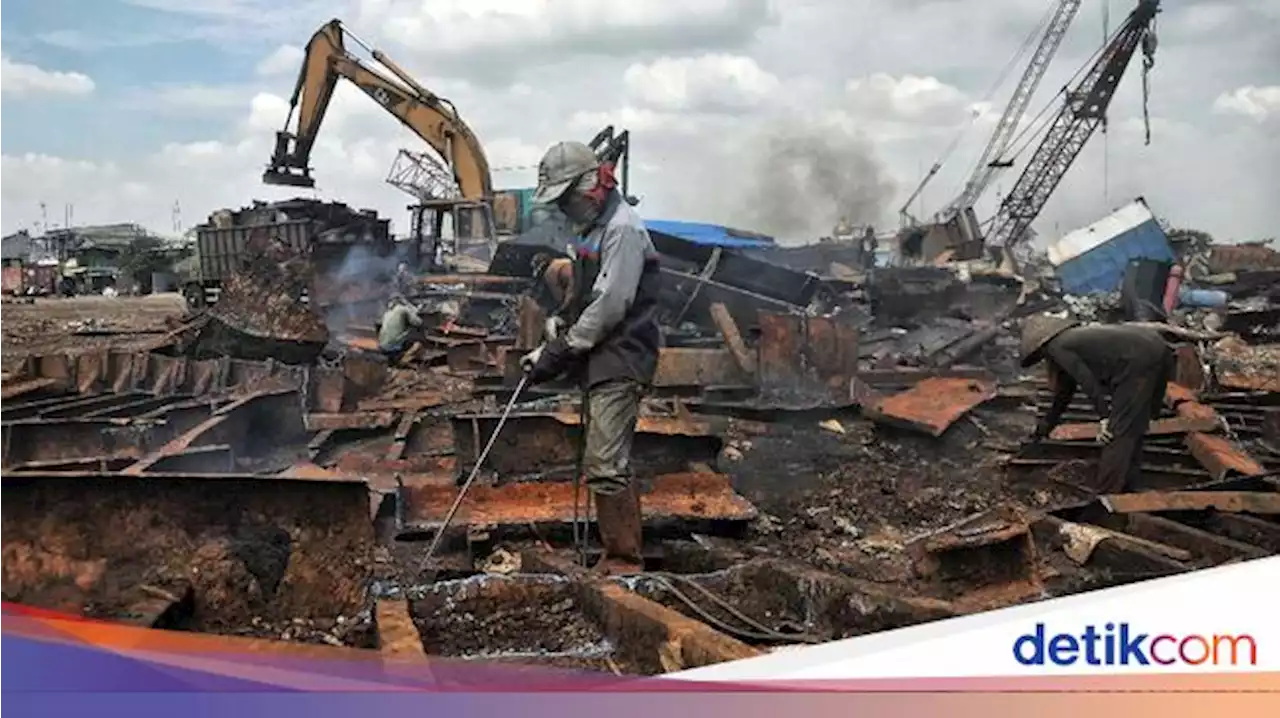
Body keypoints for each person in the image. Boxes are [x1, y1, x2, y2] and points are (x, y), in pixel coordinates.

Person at [520, 140, 663, 576]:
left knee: (605, 461)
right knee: (605, 459)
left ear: (591, 188)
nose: (563, 209)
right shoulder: (589, 231)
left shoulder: (622, 230)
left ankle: (623, 561)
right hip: (600, 351)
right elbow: (583, 296)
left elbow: (609, 305)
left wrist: (563, 350)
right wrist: (558, 329)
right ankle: (615, 549)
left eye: (566, 199)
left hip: (622, 355)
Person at [1020, 315, 1174, 494]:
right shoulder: (1074, 341)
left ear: (1041, 347)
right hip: (1155, 346)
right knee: (1134, 426)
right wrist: (1044, 429)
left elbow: (1085, 379)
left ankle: (1106, 496)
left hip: (1138, 360)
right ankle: (1128, 486)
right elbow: (1063, 395)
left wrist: (1104, 416)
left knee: (1117, 433)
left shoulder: (1057, 347)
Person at [377, 295, 423, 364]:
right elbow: (419, 322)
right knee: (418, 345)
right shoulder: (403, 309)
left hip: (382, 347)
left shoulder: (387, 313)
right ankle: (402, 360)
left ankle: (393, 358)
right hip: (394, 348)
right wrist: (412, 311)